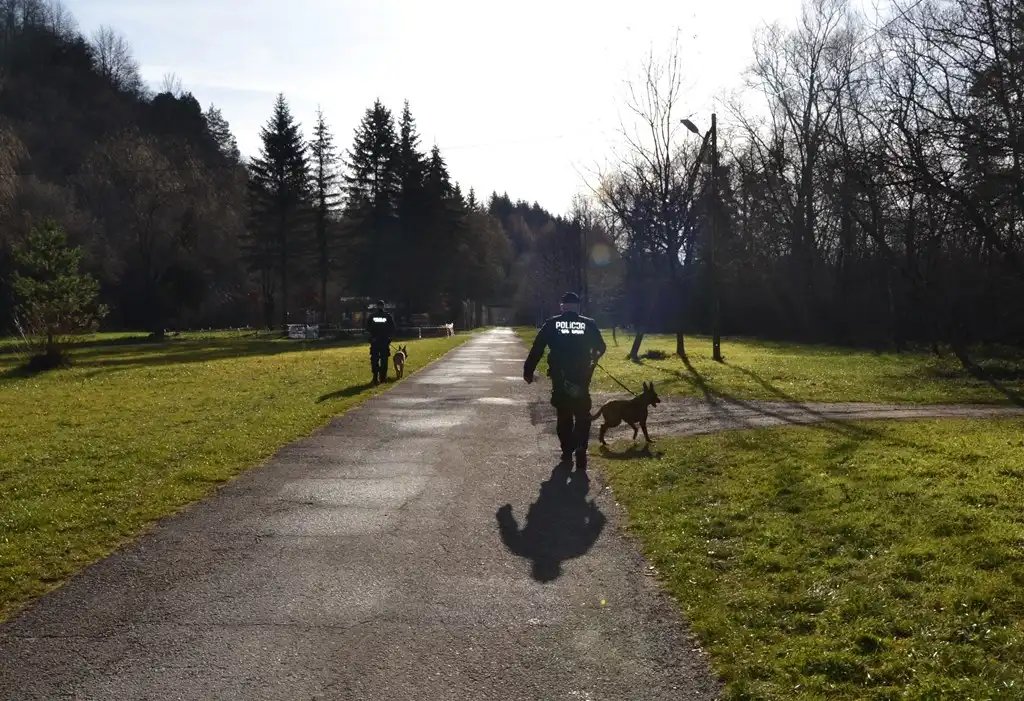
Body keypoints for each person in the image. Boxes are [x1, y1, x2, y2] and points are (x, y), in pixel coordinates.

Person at [523, 292, 607, 472]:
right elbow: (601, 347)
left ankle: (567, 451)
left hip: (560, 376)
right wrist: (592, 360)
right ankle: (581, 447)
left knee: (564, 414)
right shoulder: (588, 324)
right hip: (582, 376)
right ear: (577, 306)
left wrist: (528, 371)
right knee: (583, 412)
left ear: (562, 306)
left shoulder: (552, 324)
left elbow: (537, 348)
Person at [365, 299, 396, 384]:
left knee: (374, 359)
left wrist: (372, 336)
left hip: (375, 341)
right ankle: (383, 377)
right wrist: (389, 338)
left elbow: (367, 327)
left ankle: (375, 377)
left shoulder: (372, 316)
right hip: (384, 341)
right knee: (384, 359)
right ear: (384, 306)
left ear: (377, 306)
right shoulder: (387, 316)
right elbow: (392, 328)